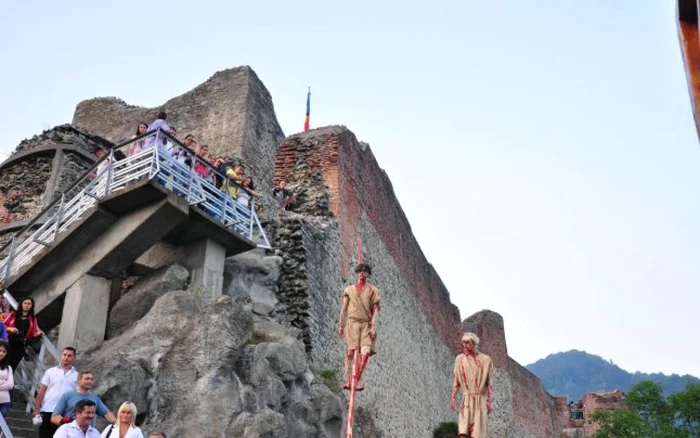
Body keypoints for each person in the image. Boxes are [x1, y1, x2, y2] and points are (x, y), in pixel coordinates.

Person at [337, 263, 380, 391]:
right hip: (352, 323)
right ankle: (348, 379)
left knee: (365, 353)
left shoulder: (373, 290)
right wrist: (341, 325)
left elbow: (375, 310)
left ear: (368, 273)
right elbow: (343, 310)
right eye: (360, 270)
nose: (362, 272)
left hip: (366, 324)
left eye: (365, 271)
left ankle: (357, 380)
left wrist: (373, 326)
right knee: (350, 353)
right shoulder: (349, 290)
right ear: (357, 273)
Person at [450, 332, 493, 438]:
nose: (465, 346)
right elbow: (456, 380)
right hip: (466, 399)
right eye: (463, 343)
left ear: (474, 344)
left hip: (479, 399)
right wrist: (453, 397)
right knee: (463, 432)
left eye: (467, 343)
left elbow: (488, 383)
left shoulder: (485, 359)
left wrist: (488, 401)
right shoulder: (459, 359)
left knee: (477, 433)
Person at [32, 347, 78, 438]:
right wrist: (36, 409)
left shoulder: (77, 375)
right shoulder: (50, 372)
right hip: (48, 410)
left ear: (74, 358)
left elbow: (77, 396)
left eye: (69, 356)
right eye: (64, 355)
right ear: (61, 356)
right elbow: (41, 391)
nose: (66, 358)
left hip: (65, 414)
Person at [52, 370, 116, 427]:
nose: (90, 381)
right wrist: (67, 422)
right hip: (70, 433)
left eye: (91, 379)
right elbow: (54, 417)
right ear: (79, 381)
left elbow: (107, 414)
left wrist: (118, 424)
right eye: (87, 379)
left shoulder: (95, 398)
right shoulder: (67, 396)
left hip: (88, 433)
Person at [4, 296, 44, 372]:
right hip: (8, 342)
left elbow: (33, 333)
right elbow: (2, 326)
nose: (27, 305)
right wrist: (10, 329)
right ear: (21, 304)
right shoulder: (13, 314)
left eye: (29, 304)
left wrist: (38, 333)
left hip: (21, 345)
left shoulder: (32, 319)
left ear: (32, 306)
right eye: (25, 303)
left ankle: (7, 383)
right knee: (3, 363)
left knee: (12, 366)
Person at [0, 340, 13, 418]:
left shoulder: (8, 368)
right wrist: (4, 382)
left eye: (4, 351)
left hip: (5, 402)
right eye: (0, 350)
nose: (1, 353)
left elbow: (10, 385)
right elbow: (7, 384)